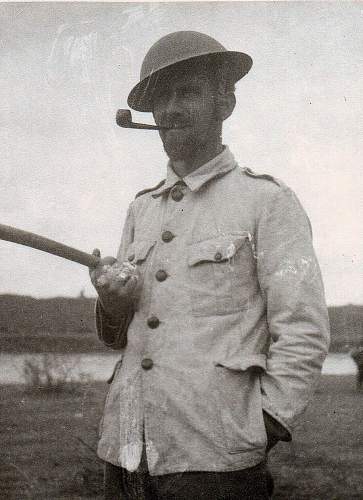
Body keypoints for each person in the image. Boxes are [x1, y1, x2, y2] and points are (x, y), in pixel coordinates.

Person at [90, 31, 330, 500]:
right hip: (123, 450)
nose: (171, 109)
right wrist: (112, 304)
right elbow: (123, 334)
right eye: (161, 99)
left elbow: (303, 329)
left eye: (188, 93)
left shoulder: (267, 202)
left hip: (217, 462)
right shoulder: (140, 209)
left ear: (225, 103)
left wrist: (263, 424)